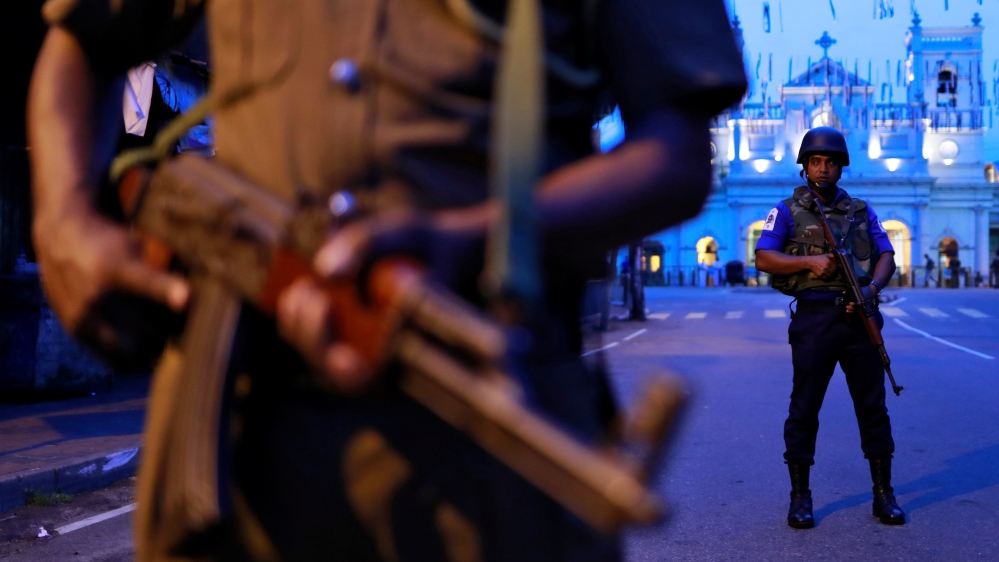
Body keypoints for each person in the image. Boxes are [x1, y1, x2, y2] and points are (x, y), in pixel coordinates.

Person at [27, 0, 746, 560]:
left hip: (491, 431)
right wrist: (63, 224)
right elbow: (83, 38)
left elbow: (678, 153)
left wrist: (472, 240)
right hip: (236, 429)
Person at [754, 127, 905, 530]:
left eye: (831, 162)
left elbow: (886, 255)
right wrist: (808, 263)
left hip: (860, 318)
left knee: (873, 407)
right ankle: (800, 497)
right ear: (805, 166)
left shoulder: (860, 209)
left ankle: (883, 494)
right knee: (805, 408)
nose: (823, 169)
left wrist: (872, 288)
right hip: (815, 319)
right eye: (816, 162)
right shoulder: (786, 210)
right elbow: (764, 258)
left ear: (841, 167)